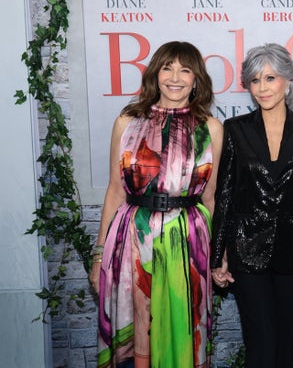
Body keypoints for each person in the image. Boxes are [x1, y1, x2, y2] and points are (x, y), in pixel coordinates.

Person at [88, 41, 223, 367]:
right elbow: (115, 191)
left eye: (185, 70)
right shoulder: (127, 121)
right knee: (136, 329)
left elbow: (210, 197)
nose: (175, 77)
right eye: (167, 67)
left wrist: (218, 256)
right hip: (132, 238)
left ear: (196, 79)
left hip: (188, 242)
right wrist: (98, 255)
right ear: (155, 73)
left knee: (183, 326)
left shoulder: (211, 128)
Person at [210, 43, 293, 368]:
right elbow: (224, 195)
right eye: (254, 80)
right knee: (261, 345)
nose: (262, 88)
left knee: (283, 347)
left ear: (288, 81)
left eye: (270, 78)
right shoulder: (235, 130)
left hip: (292, 253)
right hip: (246, 250)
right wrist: (218, 253)